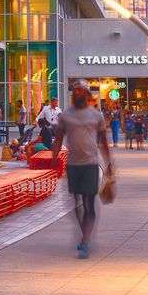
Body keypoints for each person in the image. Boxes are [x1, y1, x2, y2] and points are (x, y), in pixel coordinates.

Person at [51, 78, 112, 258]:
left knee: (89, 201)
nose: (75, 92)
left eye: (78, 90)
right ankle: (85, 234)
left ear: (86, 94)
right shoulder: (66, 116)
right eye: (74, 90)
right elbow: (59, 139)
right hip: (72, 164)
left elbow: (104, 140)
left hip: (91, 163)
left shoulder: (96, 115)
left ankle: (85, 241)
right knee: (76, 203)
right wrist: (54, 159)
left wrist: (109, 162)